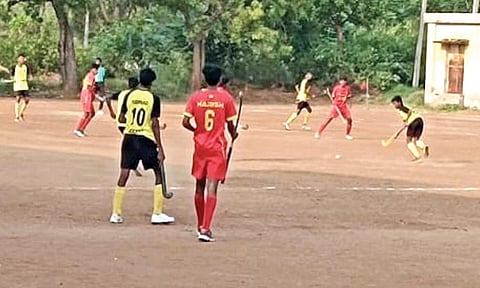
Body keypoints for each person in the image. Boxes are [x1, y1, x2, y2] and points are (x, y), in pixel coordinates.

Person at [110, 68, 174, 225]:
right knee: (158, 172)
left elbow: (122, 116)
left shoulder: (130, 95)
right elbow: (154, 124)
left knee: (124, 173)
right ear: (152, 82)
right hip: (145, 138)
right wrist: (161, 148)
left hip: (129, 137)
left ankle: (116, 213)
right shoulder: (154, 98)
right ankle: (157, 213)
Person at [182, 65, 237, 242]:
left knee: (199, 185)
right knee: (212, 187)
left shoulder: (196, 97)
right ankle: (206, 228)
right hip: (216, 147)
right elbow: (230, 125)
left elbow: (185, 121)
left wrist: (196, 130)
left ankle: (200, 226)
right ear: (220, 79)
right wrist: (234, 134)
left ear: (205, 78)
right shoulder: (226, 98)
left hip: (200, 146)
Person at [113, 76, 143, 177]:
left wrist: (112, 113)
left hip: (120, 124)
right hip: (130, 123)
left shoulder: (122, 93)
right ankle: (132, 165)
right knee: (135, 144)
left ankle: (132, 165)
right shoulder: (135, 95)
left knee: (131, 143)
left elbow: (108, 99)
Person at [391, 96, 430, 163]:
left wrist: (407, 121)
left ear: (399, 102)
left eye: (395, 103)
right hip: (420, 120)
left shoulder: (401, 109)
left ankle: (418, 157)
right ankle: (423, 147)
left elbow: (408, 113)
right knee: (416, 140)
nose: (394, 106)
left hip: (413, 122)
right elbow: (406, 121)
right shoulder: (408, 107)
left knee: (408, 140)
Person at [73, 64, 98, 137]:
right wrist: (95, 95)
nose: (97, 71)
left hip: (88, 94)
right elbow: (89, 86)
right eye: (95, 69)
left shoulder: (91, 76)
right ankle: (77, 129)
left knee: (92, 113)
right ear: (92, 69)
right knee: (87, 113)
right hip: (86, 94)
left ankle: (82, 128)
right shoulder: (91, 76)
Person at [11, 54, 30, 122]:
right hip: (17, 84)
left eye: (23, 59)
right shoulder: (14, 67)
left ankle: (21, 113)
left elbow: (28, 74)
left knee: (27, 100)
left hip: (24, 84)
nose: (22, 60)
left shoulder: (26, 67)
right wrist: (13, 79)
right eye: (21, 59)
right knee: (18, 98)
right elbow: (12, 75)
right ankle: (17, 116)